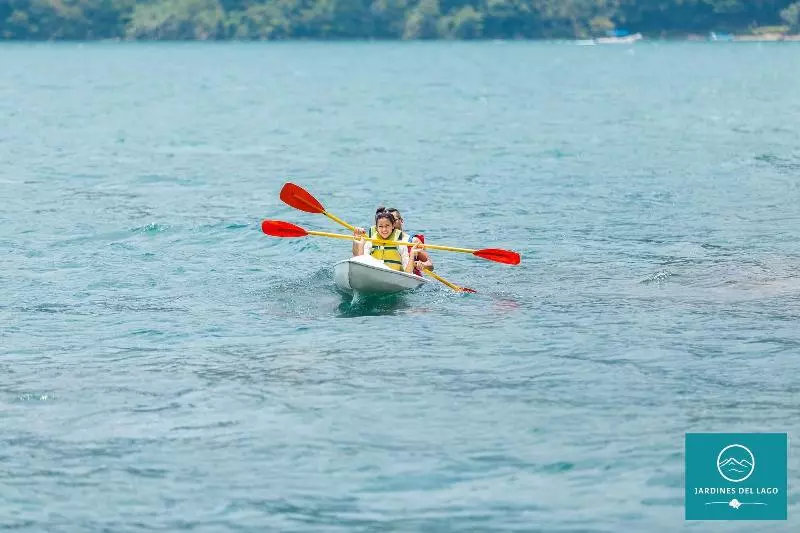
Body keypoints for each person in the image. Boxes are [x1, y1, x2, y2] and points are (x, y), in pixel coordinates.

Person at [352, 210, 422, 274]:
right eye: (380, 226)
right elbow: (360, 262)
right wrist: (357, 242)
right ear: (376, 227)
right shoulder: (371, 241)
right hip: (374, 273)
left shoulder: (400, 243)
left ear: (393, 226)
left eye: (387, 226)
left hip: (394, 276)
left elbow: (408, 273)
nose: (384, 229)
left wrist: (412, 254)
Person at [385, 207, 434, 276]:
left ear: (401, 221)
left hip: (411, 278)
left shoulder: (413, 241)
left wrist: (423, 265)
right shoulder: (379, 240)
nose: (391, 223)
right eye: (388, 221)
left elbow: (431, 266)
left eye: (393, 220)